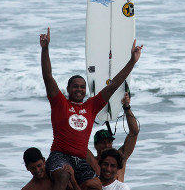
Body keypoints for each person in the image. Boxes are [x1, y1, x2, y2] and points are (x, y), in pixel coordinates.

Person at [40, 27, 143, 190]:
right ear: (68, 89)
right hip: (60, 155)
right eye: (75, 86)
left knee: (96, 184)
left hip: (80, 160)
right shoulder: (59, 103)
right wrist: (45, 49)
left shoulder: (91, 106)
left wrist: (133, 61)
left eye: (82, 87)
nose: (79, 90)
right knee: (63, 175)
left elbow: (114, 84)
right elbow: (47, 77)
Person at [87, 92, 139, 182]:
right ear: (95, 145)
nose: (107, 145)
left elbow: (134, 132)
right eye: (103, 143)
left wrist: (126, 107)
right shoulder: (91, 161)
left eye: (109, 142)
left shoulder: (120, 158)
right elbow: (76, 137)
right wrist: (87, 109)